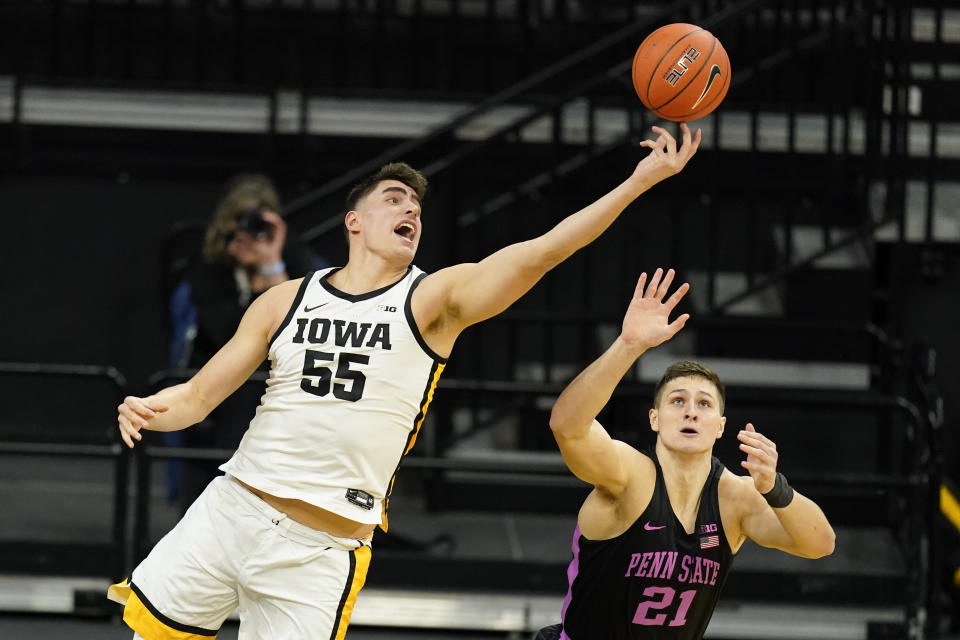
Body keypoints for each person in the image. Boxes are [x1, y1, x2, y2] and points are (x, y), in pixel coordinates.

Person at [110, 123, 702, 640]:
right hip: (229, 510)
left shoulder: (431, 300)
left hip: (317, 549)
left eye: (417, 208)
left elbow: (540, 254)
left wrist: (637, 182)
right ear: (354, 222)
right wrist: (149, 407)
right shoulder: (284, 299)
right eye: (395, 200)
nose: (411, 212)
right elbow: (197, 395)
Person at [536, 268, 836, 640]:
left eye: (704, 404)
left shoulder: (734, 497)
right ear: (655, 419)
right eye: (678, 401)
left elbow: (820, 544)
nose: (691, 411)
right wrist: (629, 345)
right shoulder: (631, 474)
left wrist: (776, 488)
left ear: (720, 426)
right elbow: (567, 425)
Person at [167, 174, 327, 509]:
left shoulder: (297, 260)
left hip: (279, 404)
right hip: (220, 409)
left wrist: (272, 266)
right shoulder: (208, 269)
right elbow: (231, 336)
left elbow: (300, 331)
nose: (250, 232)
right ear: (226, 223)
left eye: (260, 221)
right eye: (241, 220)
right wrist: (257, 282)